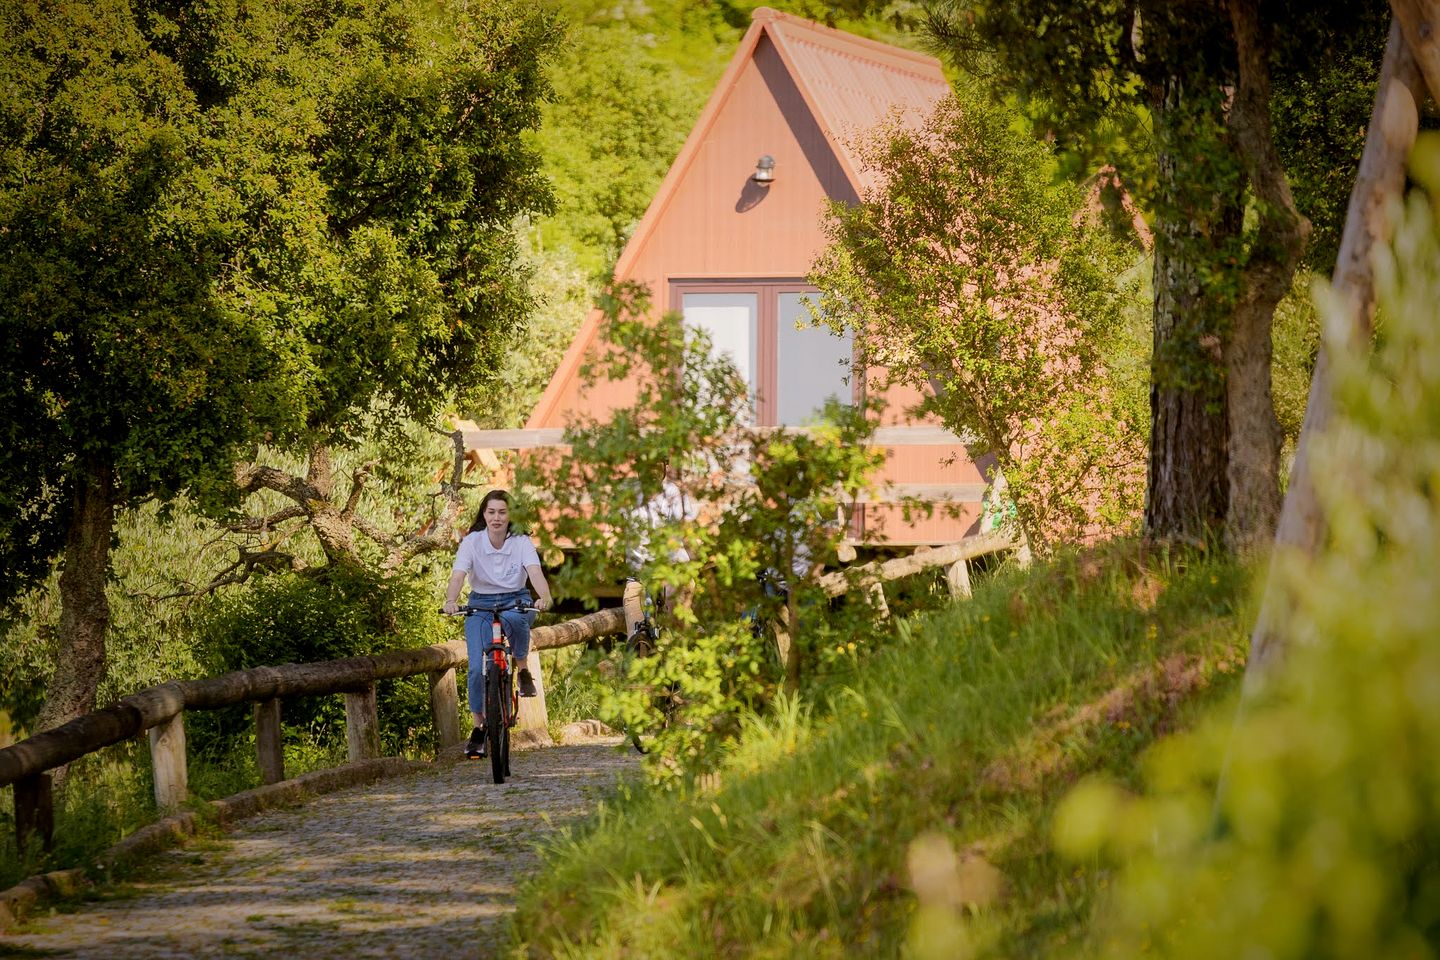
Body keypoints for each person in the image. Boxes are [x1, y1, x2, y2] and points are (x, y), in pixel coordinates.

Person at [443, 489, 552, 759]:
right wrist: (451, 600)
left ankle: (522, 669)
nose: (496, 518)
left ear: (510, 515)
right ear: (484, 514)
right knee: (476, 667)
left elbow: (534, 572)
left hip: (515, 598)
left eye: (502, 512)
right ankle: (479, 727)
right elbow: (458, 575)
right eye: (491, 512)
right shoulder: (472, 542)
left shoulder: (521, 542)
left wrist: (545, 596)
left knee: (517, 620)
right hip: (480, 602)